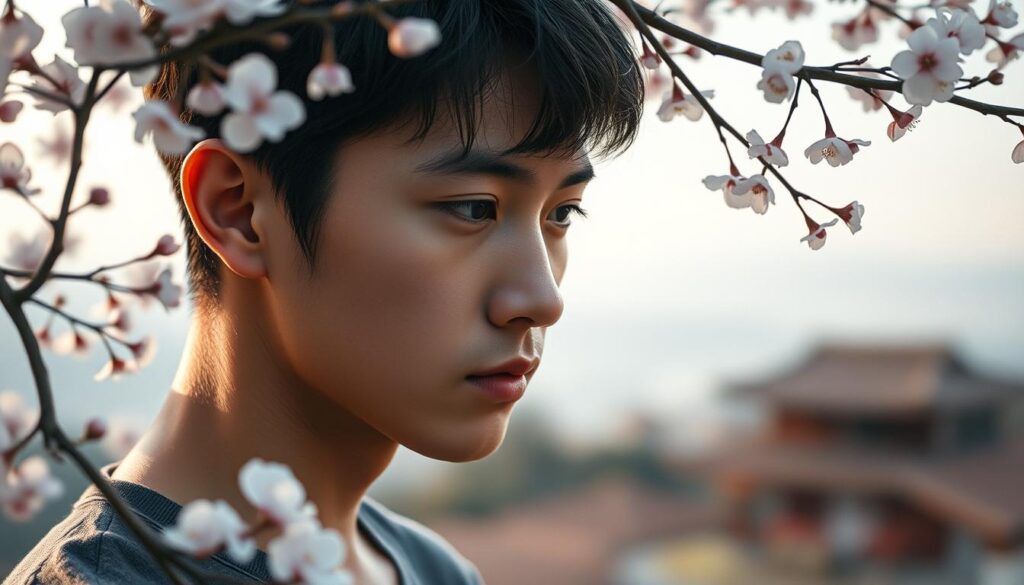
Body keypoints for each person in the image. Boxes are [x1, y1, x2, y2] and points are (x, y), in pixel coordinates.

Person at [6, 0, 643, 583]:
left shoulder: (434, 570)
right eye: (473, 208)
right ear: (239, 211)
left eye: (562, 214)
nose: (542, 299)